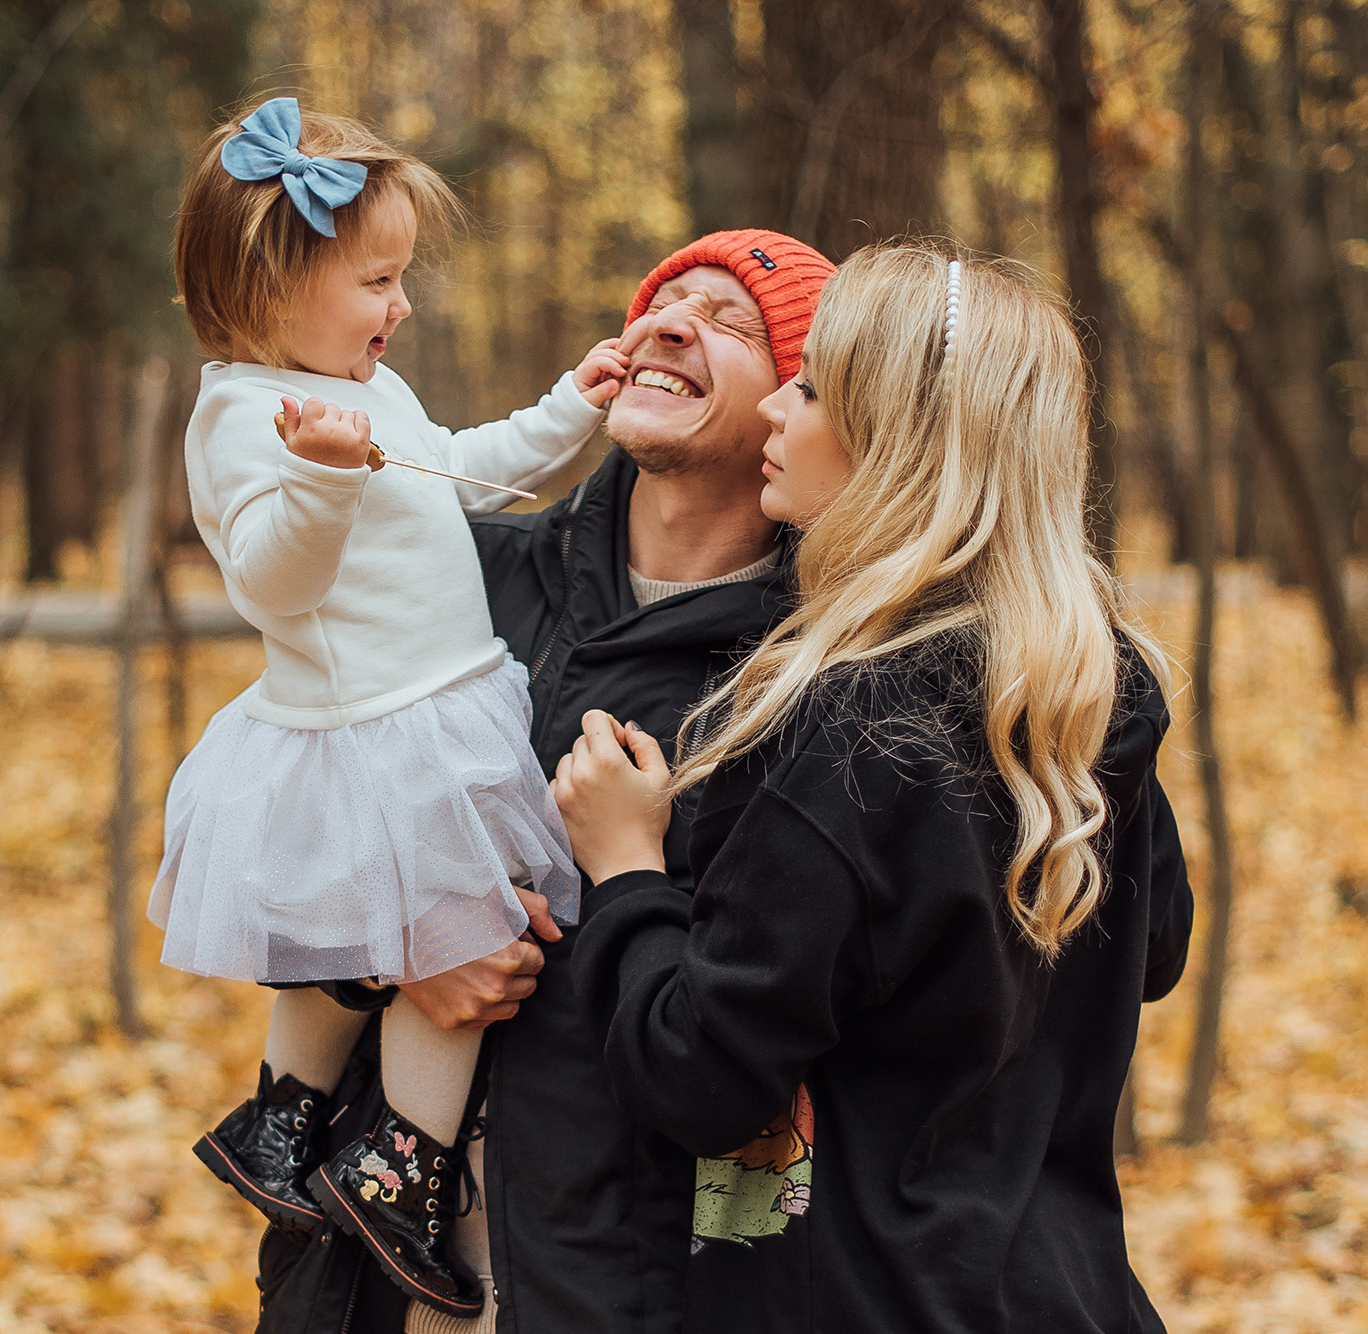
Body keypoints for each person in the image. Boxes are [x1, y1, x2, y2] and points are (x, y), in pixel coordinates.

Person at [551, 241, 1195, 1333]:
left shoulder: (844, 729)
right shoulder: (1088, 691)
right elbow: (1153, 951)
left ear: (893, 441)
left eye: (806, 389)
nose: (774, 416)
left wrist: (624, 870)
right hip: (1058, 1291)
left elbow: (701, 1073)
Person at [253, 229, 837, 1334]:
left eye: (731, 320)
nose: (668, 321)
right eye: (665, 302)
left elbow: (792, 1019)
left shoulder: (818, 668)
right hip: (368, 1267)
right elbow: (271, 815)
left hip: (621, 1277)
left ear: (796, 401)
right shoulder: (466, 569)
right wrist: (404, 924)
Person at [151, 95, 631, 1318]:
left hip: (425, 704)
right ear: (269, 290)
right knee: (457, 935)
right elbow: (269, 574)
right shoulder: (242, 418)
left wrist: (574, 403)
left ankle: (287, 1123)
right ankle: (399, 1162)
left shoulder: (369, 390)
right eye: (376, 279)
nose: (400, 305)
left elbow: (467, 469)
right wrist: (316, 473)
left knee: (369, 933)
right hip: (379, 726)